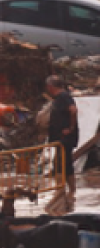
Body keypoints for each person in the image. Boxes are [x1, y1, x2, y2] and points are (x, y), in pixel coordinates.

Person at [46, 75, 79, 203]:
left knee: (64, 164)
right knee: (62, 163)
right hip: (59, 138)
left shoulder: (64, 97)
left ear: (50, 86)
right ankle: (64, 190)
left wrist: (70, 128)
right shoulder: (59, 98)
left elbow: (73, 110)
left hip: (65, 138)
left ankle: (67, 191)